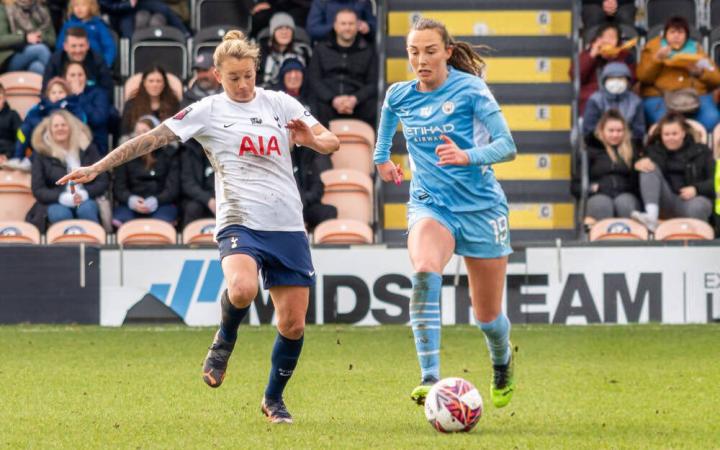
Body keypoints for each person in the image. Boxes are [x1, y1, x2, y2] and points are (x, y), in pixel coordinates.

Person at [57, 29, 340, 424]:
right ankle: (225, 338)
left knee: (292, 325)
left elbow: (331, 141)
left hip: (287, 224)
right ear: (217, 75)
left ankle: (273, 400)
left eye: (248, 75)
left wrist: (311, 140)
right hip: (239, 220)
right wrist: (98, 167)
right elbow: (152, 138)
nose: (243, 85)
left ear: (256, 70)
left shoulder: (279, 103)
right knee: (242, 288)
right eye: (233, 77)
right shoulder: (208, 110)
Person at [373, 18, 517, 408]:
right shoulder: (400, 94)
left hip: (481, 208)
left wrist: (466, 156)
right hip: (431, 205)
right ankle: (430, 377)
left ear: (448, 52)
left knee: (487, 317)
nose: (421, 60)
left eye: (430, 51)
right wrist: (382, 160)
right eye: (413, 52)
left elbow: (507, 146)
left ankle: (502, 359)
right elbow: (386, 128)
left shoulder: (471, 89)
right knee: (424, 271)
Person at [632, 112, 715, 231]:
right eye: (666, 134)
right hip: (664, 200)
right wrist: (637, 166)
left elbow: (716, 181)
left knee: (699, 205)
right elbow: (636, 184)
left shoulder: (701, 151)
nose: (670, 138)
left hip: (690, 201)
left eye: (674, 134)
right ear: (661, 135)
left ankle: (700, 236)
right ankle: (651, 217)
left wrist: (696, 189)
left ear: (683, 133)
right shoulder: (652, 151)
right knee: (648, 167)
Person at [637, 16, 720, 131]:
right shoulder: (653, 48)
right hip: (660, 96)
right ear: (665, 34)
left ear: (686, 36)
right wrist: (657, 60)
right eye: (672, 32)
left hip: (695, 95)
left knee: (712, 118)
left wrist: (700, 73)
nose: (676, 36)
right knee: (666, 123)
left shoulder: (696, 49)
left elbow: (716, 78)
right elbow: (643, 77)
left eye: (680, 32)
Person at [30, 110, 107, 226]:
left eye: (63, 125)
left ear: (70, 127)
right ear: (50, 130)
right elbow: (38, 189)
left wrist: (85, 193)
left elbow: (103, 180)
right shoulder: (42, 154)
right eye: (56, 126)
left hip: (86, 199)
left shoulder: (88, 149)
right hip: (54, 202)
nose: (60, 128)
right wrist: (61, 197)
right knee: (60, 214)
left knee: (87, 210)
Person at [306, 8, 377, 126]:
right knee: (314, 104)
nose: (347, 28)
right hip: (327, 104)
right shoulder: (320, 49)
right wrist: (333, 99)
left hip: (359, 105)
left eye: (351, 24)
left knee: (373, 105)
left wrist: (354, 99)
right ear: (335, 26)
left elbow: (373, 83)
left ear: (357, 26)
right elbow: (314, 79)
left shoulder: (368, 50)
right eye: (343, 24)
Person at [112, 115, 179, 226]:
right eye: (137, 132)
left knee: (160, 224)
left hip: (161, 203)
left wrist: (157, 200)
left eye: (145, 131)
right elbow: (119, 187)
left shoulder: (168, 154)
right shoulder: (126, 155)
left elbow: (173, 188)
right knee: (122, 221)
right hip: (131, 204)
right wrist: (131, 200)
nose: (140, 136)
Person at [11, 77, 86, 169]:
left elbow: (81, 120)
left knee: (49, 132)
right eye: (53, 93)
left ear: (67, 93)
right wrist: (43, 124)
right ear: (48, 95)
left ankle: (31, 160)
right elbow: (30, 118)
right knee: (23, 130)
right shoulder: (41, 107)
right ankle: (17, 157)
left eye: (60, 92)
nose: (57, 95)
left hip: (64, 137)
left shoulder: (71, 105)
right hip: (41, 136)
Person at [581, 110, 641, 223]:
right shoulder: (591, 150)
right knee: (602, 205)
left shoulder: (632, 149)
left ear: (625, 131)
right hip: (598, 194)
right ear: (602, 131)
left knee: (625, 204)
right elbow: (577, 182)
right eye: (611, 131)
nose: (615, 135)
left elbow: (637, 180)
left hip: (626, 193)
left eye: (619, 131)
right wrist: (590, 188)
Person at [576, 22, 635, 114]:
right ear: (598, 39)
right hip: (592, 94)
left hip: (618, 94)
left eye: (612, 38)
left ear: (618, 41)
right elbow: (575, 76)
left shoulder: (625, 56)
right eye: (604, 37)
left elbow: (631, 79)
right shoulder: (588, 53)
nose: (607, 41)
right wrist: (591, 56)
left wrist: (612, 58)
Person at [583, 62, 645, 144]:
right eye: (612, 78)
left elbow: (638, 130)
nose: (616, 82)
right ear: (604, 81)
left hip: (627, 144)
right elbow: (589, 128)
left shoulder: (635, 101)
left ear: (627, 82)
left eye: (621, 78)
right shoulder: (595, 100)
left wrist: (622, 140)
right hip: (599, 145)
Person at [42, 26, 113, 96]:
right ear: (65, 47)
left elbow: (107, 91)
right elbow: (46, 91)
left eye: (81, 45)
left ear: (88, 46)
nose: (78, 50)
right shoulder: (56, 61)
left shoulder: (97, 61)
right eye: (73, 46)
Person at [64, 61, 114, 154]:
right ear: (65, 78)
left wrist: (79, 96)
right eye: (72, 75)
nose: (77, 79)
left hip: (94, 144)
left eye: (80, 75)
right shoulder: (60, 94)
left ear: (86, 77)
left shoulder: (98, 93)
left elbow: (98, 119)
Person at [257, 12, 311, 88]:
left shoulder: (302, 51)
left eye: (288, 28)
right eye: (279, 28)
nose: (284, 32)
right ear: (273, 32)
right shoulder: (260, 52)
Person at [0, 0, 55, 74]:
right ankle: (57, 79)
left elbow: (53, 40)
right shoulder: (5, 9)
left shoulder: (42, 10)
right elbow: (1, 40)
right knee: (41, 49)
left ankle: (52, 80)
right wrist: (25, 38)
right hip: (12, 56)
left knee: (37, 67)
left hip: (35, 56)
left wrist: (40, 37)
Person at [121, 65, 179, 134]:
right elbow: (124, 132)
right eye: (151, 81)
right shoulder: (131, 104)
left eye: (159, 81)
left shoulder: (174, 104)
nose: (155, 85)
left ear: (164, 84)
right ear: (144, 83)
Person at [56, 0, 116, 68]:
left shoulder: (98, 25)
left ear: (91, 7)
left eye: (83, 5)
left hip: (95, 64)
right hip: (72, 64)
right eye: (76, 5)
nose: (79, 8)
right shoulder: (68, 25)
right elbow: (60, 47)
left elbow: (109, 47)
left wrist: (105, 64)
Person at [98, 0, 190, 39]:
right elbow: (108, 6)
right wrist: (128, 4)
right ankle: (131, 63)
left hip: (139, 3)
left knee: (163, 9)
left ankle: (186, 35)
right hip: (121, 12)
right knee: (128, 35)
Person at [306, 0, 375, 42]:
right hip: (328, 49)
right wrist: (336, 27)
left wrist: (368, 27)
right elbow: (312, 30)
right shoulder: (321, 2)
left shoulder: (362, 2)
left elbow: (376, 28)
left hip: (358, 49)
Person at [0, 83, 21, 162]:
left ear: (4, 98)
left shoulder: (13, 115)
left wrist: (7, 155)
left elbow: (21, 138)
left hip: (9, 156)